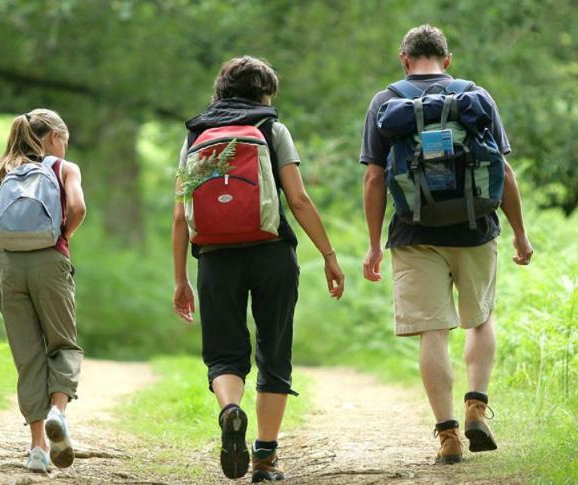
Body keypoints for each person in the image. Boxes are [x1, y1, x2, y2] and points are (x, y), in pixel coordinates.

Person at [360, 25, 534, 465]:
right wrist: (519, 232)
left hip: (414, 233)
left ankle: (448, 436)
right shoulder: (475, 97)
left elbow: (375, 177)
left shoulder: (386, 102)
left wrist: (374, 244)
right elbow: (504, 171)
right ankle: (476, 405)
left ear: (404, 58)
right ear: (447, 59)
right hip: (476, 228)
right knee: (480, 318)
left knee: (433, 331)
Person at [171, 56, 345, 482]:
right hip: (272, 253)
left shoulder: (197, 134)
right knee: (274, 349)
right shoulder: (272, 129)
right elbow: (299, 199)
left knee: (224, 352)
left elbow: (180, 215)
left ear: (221, 90)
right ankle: (265, 457)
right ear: (265, 93)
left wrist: (180, 279)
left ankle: (231, 409)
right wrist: (328, 254)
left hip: (214, 258)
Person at [0, 108, 86, 473]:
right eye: (64, 140)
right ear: (53, 138)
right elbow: (78, 207)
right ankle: (58, 413)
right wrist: (63, 234)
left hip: (10, 267)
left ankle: (37, 449)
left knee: (27, 355)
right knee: (63, 343)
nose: (64, 147)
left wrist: (2, 235)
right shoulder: (64, 169)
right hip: (50, 261)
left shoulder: (3, 170)